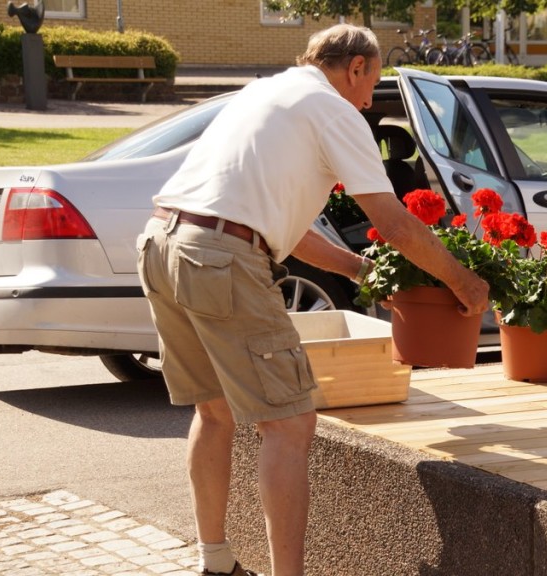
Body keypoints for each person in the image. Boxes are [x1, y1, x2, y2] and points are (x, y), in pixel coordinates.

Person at [136, 24, 489, 576]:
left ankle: (215, 562)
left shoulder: (263, 94)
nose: (371, 101)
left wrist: (358, 268)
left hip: (161, 243)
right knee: (290, 424)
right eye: (370, 85)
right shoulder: (333, 110)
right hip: (219, 258)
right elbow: (393, 222)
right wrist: (464, 281)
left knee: (215, 410)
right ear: (354, 68)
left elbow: (282, 228)